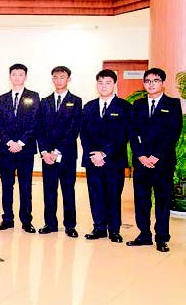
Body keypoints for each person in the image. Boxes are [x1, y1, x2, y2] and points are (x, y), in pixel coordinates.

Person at [128, 68, 183, 253]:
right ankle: (144, 234)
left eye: (155, 80)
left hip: (163, 162)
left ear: (163, 83)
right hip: (141, 162)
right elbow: (133, 132)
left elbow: (172, 134)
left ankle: (162, 238)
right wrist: (141, 155)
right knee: (142, 200)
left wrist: (156, 156)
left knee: (162, 201)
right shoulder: (138, 105)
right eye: (148, 81)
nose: (151, 84)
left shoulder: (173, 104)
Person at [80, 69, 131, 243]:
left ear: (115, 84)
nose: (103, 86)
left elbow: (122, 135)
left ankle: (114, 230)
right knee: (95, 194)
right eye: (100, 83)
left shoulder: (124, 107)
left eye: (108, 83)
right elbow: (84, 134)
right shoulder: (89, 107)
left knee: (113, 195)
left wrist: (104, 153)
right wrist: (93, 154)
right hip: (92, 160)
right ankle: (99, 227)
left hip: (114, 161)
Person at [37, 66, 82, 238]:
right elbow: (39, 128)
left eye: (62, 77)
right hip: (47, 156)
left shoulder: (76, 101)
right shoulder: (44, 101)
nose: (59, 80)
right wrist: (44, 151)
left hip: (66, 154)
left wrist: (57, 151)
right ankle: (50, 223)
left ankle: (70, 225)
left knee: (68, 190)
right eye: (55, 77)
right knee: (49, 190)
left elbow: (73, 129)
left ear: (68, 79)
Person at [0, 63, 40, 233]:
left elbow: (35, 123)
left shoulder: (34, 97)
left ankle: (26, 220)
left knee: (25, 185)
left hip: (25, 149)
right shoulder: (2, 99)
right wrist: (9, 142)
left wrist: (20, 142)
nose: (17, 77)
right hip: (6, 150)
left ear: (25, 77)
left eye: (20, 74)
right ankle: (7, 218)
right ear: (10, 77)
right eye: (14, 74)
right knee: (7, 185)